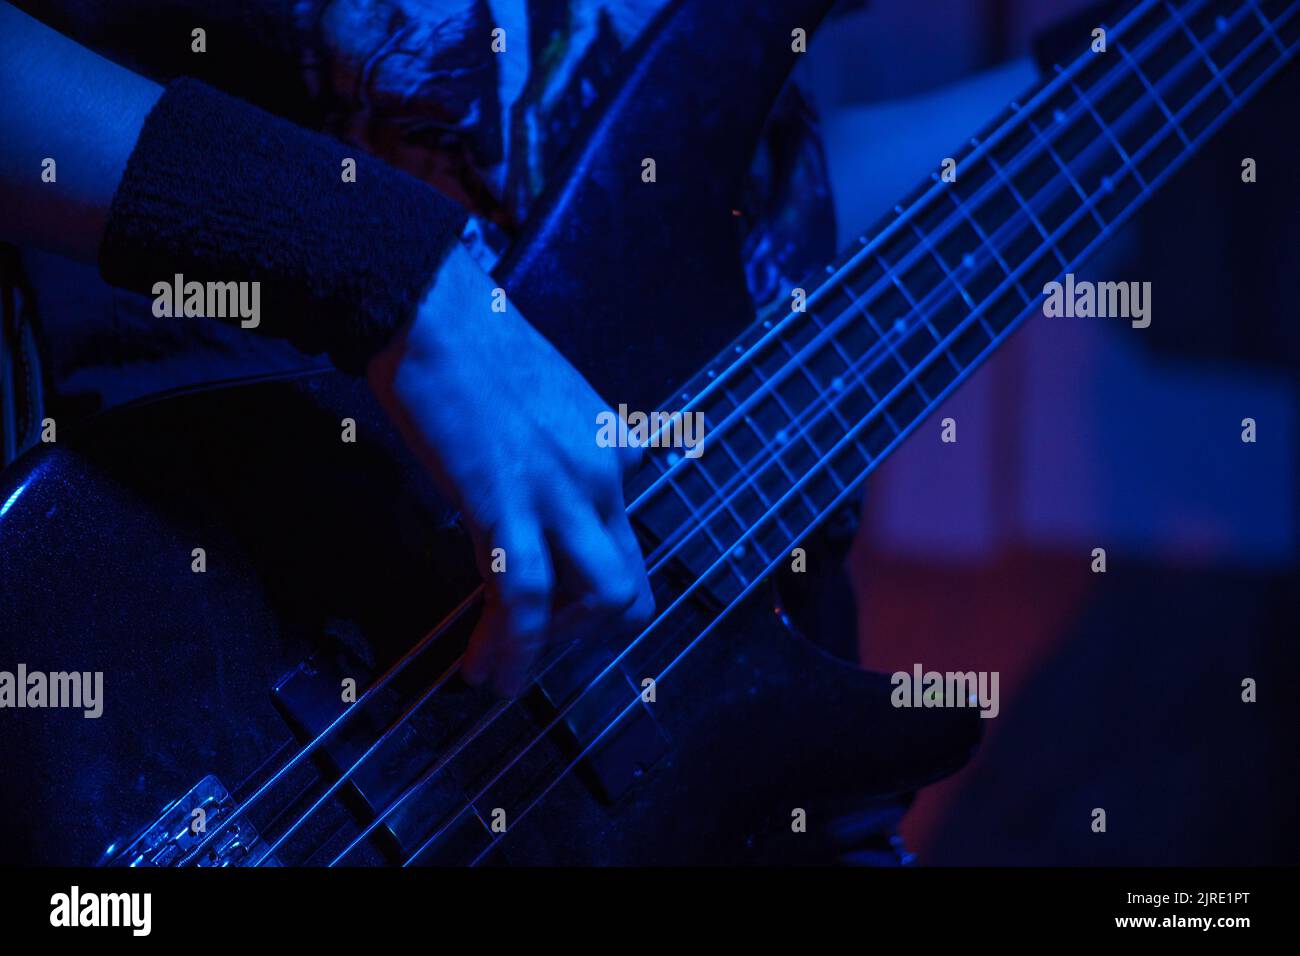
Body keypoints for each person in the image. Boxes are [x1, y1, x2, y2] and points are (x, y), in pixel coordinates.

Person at [0, 0, 1035, 701]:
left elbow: (767, 202)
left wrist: (1129, 71)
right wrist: (391, 278)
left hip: (667, 719)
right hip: (222, 673)